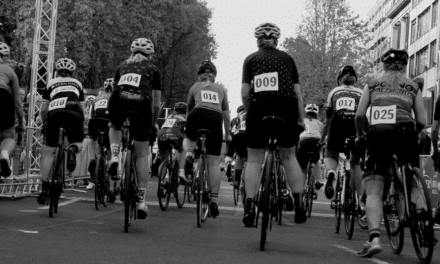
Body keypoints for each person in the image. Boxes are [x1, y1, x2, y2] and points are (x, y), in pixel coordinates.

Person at [355, 48, 426, 257]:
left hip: (379, 133)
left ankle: (375, 238)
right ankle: (422, 223)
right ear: (404, 66)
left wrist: (361, 135)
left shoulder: (373, 84)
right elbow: (422, 120)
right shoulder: (413, 86)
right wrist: (415, 133)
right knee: (412, 182)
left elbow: (360, 116)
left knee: (375, 189)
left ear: (383, 66)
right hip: (406, 130)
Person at [241, 22, 306, 226]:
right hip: (286, 106)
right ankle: (299, 203)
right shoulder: (287, 58)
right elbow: (298, 94)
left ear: (258, 41)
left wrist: (249, 109)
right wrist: (301, 119)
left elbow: (244, 93)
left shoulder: (250, 59)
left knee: (253, 159)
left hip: (259, 106)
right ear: (276, 40)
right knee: (289, 156)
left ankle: (250, 207)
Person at [107, 38, 161, 219]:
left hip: (118, 99)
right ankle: (141, 200)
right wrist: (152, 123)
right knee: (142, 153)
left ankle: (114, 155)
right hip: (142, 104)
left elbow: (114, 89)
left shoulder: (122, 66)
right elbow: (156, 102)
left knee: (114, 125)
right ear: (150, 54)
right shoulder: (153, 69)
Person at [183, 60, 230, 218]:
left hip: (197, 114)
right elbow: (226, 115)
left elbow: (189, 108)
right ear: (214, 76)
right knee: (213, 162)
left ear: (199, 76)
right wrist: (227, 133)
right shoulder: (221, 89)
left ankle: (189, 154)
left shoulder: (195, 87)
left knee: (188, 137)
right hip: (215, 118)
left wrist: (189, 124)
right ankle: (214, 200)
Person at [37, 58, 85, 204]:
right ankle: (72, 149)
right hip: (74, 110)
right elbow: (82, 108)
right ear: (72, 72)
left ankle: (44, 188)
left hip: (54, 112)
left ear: (57, 72)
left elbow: (44, 109)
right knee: (78, 142)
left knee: (48, 151)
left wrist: (45, 124)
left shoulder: (51, 83)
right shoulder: (77, 84)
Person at [319, 65, 364, 206]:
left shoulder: (334, 92)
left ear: (340, 80)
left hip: (337, 124)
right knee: (355, 163)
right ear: (355, 80)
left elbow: (327, 121)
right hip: (355, 125)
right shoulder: (361, 93)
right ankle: (361, 200)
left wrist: (322, 139)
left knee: (331, 154)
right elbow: (364, 115)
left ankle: (331, 172)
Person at [85, 79, 117, 200]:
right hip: (108, 122)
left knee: (92, 139)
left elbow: (91, 115)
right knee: (110, 151)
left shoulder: (97, 97)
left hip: (95, 121)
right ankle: (111, 187)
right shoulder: (115, 97)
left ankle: (93, 158)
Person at [0, 42, 24, 177]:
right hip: (3, 96)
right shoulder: (9, 71)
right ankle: (4, 154)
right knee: (8, 136)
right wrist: (21, 123)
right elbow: (17, 101)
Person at [151, 102, 187, 184]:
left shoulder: (169, 117)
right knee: (183, 149)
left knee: (165, 158)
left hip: (162, 135)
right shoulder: (185, 117)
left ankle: (162, 181)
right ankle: (181, 171)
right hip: (176, 134)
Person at [296, 104, 324, 195]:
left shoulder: (302, 121)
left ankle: (301, 186)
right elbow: (323, 135)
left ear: (306, 113)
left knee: (302, 166)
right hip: (316, 141)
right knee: (316, 161)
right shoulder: (320, 123)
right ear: (316, 114)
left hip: (303, 141)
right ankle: (318, 180)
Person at [225, 105, 247, 186]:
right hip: (250, 135)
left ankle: (237, 180)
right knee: (252, 159)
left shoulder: (235, 119)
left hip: (238, 135)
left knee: (240, 156)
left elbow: (233, 132)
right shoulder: (252, 113)